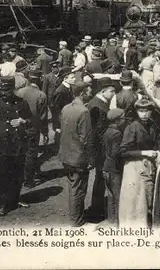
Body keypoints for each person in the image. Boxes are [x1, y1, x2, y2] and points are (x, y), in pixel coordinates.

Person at [0, 76, 33, 216]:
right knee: (4, 177)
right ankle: (3, 204)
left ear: (13, 89)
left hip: (18, 145)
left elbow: (31, 120)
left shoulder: (22, 103)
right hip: (2, 147)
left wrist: (23, 121)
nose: (3, 93)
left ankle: (15, 199)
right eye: (2, 90)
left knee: (18, 175)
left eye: (6, 90)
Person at [118, 98, 160, 227]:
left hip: (147, 166)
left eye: (147, 111)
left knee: (146, 198)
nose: (144, 114)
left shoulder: (152, 124)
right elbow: (123, 152)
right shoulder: (132, 128)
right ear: (137, 111)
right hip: (134, 167)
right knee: (135, 200)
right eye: (141, 111)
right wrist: (144, 153)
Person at [59, 81, 94, 227]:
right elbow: (86, 138)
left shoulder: (66, 108)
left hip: (66, 155)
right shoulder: (84, 112)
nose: (90, 93)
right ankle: (77, 220)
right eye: (89, 91)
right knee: (78, 189)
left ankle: (75, 217)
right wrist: (90, 159)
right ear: (82, 93)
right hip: (78, 157)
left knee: (73, 186)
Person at [88, 77, 117, 218]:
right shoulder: (99, 107)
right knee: (100, 179)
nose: (113, 94)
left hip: (98, 149)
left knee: (100, 179)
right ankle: (97, 210)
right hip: (101, 150)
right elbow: (100, 132)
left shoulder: (97, 102)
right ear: (103, 91)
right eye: (111, 91)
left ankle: (97, 208)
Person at [16, 69, 48, 188]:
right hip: (33, 128)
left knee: (21, 152)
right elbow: (43, 117)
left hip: (19, 127)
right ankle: (29, 180)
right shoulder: (41, 95)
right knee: (31, 153)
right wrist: (45, 133)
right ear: (39, 80)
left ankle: (21, 177)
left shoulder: (19, 92)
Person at [101, 108, 126, 226]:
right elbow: (116, 153)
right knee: (118, 196)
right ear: (117, 120)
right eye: (123, 118)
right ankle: (118, 223)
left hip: (106, 167)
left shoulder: (107, 131)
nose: (125, 120)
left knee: (110, 196)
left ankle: (111, 220)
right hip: (114, 169)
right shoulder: (117, 133)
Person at [51, 67, 76, 149]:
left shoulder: (68, 88)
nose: (75, 79)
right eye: (72, 77)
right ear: (65, 79)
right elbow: (56, 108)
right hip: (62, 118)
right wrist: (58, 123)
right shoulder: (60, 91)